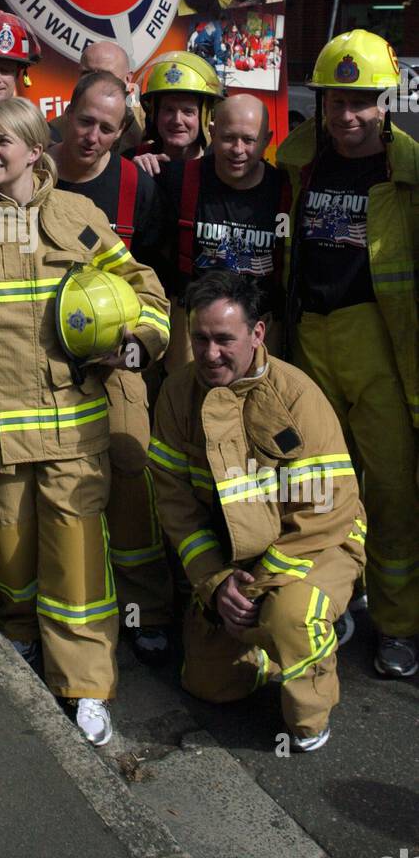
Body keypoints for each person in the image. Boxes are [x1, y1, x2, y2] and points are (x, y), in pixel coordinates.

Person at [0, 97, 170, 745]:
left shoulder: (75, 216)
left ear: (36, 152)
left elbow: (144, 291)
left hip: (73, 427)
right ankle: (22, 635)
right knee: (5, 550)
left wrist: (138, 340)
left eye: (5, 142)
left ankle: (84, 684)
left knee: (77, 564)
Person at [150, 271, 367, 752]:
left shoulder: (297, 397)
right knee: (208, 685)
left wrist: (261, 584)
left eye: (224, 340)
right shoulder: (177, 394)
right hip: (235, 557)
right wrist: (215, 582)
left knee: (290, 616)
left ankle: (313, 702)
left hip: (314, 546)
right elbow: (176, 504)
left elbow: (330, 509)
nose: (210, 354)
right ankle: (268, 648)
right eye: (200, 338)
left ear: (257, 333)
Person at [278, 30, 418, 680]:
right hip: (310, 338)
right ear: (324, 101)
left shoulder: (409, 171)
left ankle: (397, 625)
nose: (348, 116)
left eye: (362, 102)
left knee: (389, 489)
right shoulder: (297, 159)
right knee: (320, 490)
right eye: (337, 101)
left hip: (378, 347)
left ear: (384, 101)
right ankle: (330, 605)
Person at [51, 70, 172, 663]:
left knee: (131, 463)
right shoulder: (31, 172)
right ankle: (58, 604)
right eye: (84, 121)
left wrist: (134, 349)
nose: (93, 136)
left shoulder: (135, 186)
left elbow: (153, 283)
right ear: (65, 116)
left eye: (107, 127)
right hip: (43, 363)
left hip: (117, 363)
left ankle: (143, 609)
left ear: (123, 132)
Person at [154, 94, 290, 370]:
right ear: (212, 133)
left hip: (259, 329)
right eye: (228, 138)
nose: (238, 149)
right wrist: (138, 158)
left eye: (249, 140)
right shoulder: (177, 180)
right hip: (193, 330)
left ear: (267, 139)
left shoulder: (285, 191)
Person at [133, 49, 223, 177]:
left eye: (188, 112)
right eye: (169, 110)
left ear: (205, 117)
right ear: (154, 114)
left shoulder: (220, 170)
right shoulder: (134, 160)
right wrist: (131, 175)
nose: (177, 120)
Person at [48, 39, 145, 150]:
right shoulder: (54, 133)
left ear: (127, 79)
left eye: (105, 75)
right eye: (87, 74)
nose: (94, 82)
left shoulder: (148, 124)